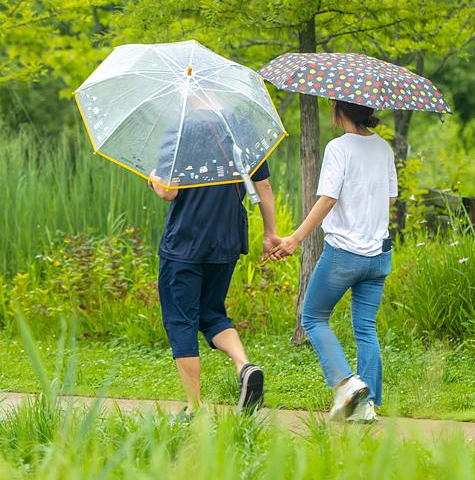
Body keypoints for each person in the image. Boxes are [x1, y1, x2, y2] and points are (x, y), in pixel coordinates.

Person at [272, 99, 397, 423]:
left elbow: (328, 198)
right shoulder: (383, 148)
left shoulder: (338, 148)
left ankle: (347, 384)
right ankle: (365, 407)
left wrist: (295, 239)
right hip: (379, 254)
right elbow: (391, 197)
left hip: (345, 253)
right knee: (366, 329)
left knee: (313, 317)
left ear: (339, 109)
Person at [150, 108, 280, 417]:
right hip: (227, 240)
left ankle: (194, 408)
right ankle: (244, 365)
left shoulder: (181, 129)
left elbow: (169, 192)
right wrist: (271, 233)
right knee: (211, 313)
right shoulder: (240, 126)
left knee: (181, 320)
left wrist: (154, 179)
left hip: (185, 242)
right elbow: (263, 187)